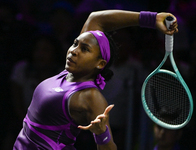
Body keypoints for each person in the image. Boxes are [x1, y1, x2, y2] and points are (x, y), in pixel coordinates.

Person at [13, 9, 178, 150]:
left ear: (100, 63)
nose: (74, 51)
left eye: (84, 49)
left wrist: (102, 134)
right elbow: (96, 18)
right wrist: (152, 18)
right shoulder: (67, 73)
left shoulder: (89, 96)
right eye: (75, 44)